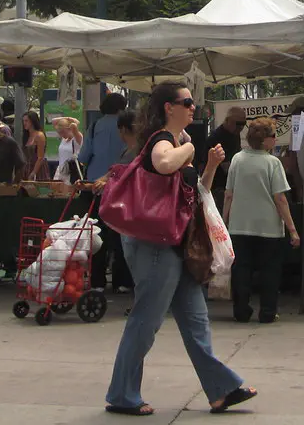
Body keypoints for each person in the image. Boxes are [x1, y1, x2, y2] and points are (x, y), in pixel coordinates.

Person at [105, 82, 257, 416]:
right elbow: (163, 164)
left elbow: (194, 191)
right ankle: (121, 393)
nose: (193, 106)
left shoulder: (179, 141)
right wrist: (189, 151)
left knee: (196, 319)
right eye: (187, 101)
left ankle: (221, 389)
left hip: (176, 243)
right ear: (168, 108)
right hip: (156, 244)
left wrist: (211, 164)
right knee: (147, 319)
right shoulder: (162, 139)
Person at [223, 117, 299, 324]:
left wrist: (224, 219)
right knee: (269, 272)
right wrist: (292, 229)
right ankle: (267, 312)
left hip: (240, 225)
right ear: (265, 140)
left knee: (241, 271)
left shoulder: (237, 160)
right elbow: (280, 198)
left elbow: (228, 194)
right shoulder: (273, 163)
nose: (275, 140)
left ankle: (241, 310)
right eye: (273, 136)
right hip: (268, 227)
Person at [79, 92, 134, 293]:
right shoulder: (129, 127)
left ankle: (97, 281)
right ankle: (123, 281)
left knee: (96, 233)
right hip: (121, 187)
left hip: (96, 187)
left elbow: (83, 156)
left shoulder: (94, 127)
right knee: (121, 236)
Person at [205, 106, 246, 195]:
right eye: (238, 123)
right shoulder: (217, 137)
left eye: (243, 123)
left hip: (230, 185)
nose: (241, 127)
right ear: (228, 120)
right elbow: (227, 168)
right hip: (219, 187)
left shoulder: (234, 133)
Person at [53, 117, 84, 183]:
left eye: (63, 132)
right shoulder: (64, 139)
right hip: (61, 170)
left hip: (71, 171)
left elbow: (74, 125)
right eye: (60, 133)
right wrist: (67, 118)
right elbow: (54, 121)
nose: (62, 135)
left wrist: (73, 121)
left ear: (69, 129)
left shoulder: (77, 138)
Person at [21, 111, 50, 181]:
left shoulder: (39, 135)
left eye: (26, 121)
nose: (24, 123)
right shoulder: (27, 135)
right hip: (28, 167)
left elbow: (40, 157)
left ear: (33, 121)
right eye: (23, 121)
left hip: (38, 168)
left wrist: (33, 173)